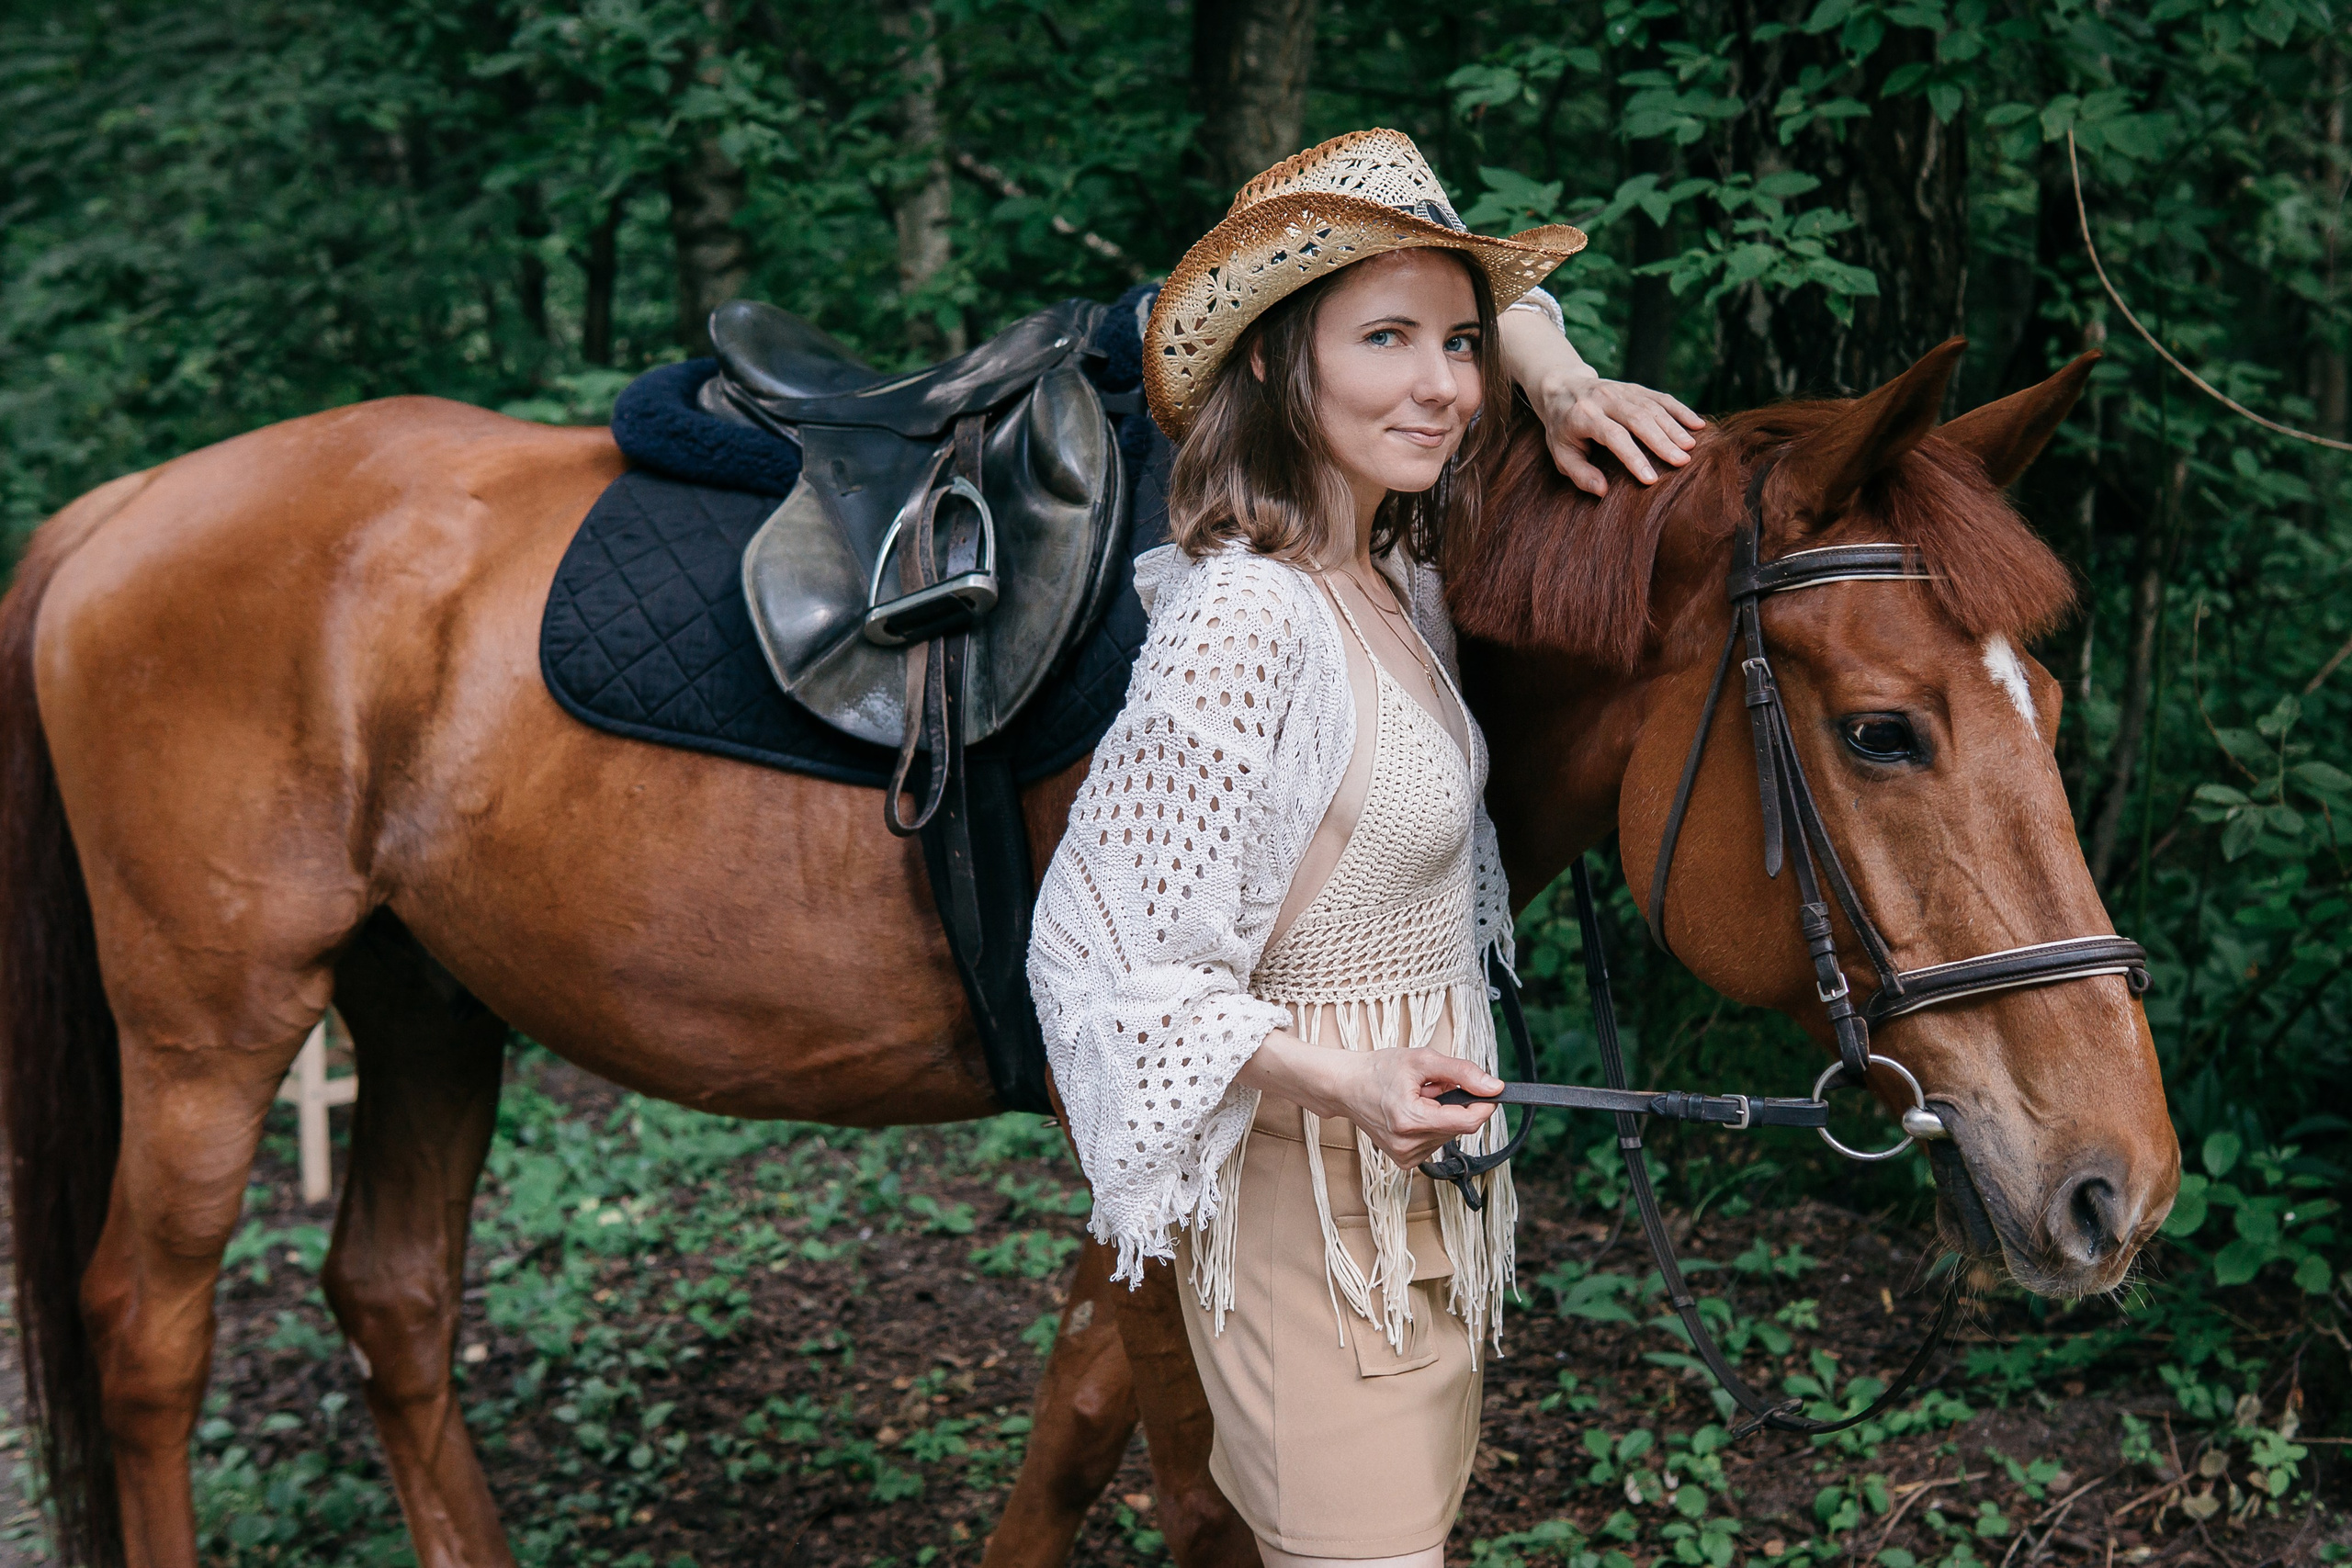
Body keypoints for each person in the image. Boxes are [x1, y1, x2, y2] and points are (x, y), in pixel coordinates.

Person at [1027, 128, 1702, 1567]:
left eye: (1457, 346)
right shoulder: (1243, 618)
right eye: (1385, 338)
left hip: (1417, 1215)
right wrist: (1346, 1077)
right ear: (1281, 364)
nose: (1442, 385)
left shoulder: (1395, 578)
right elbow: (1103, 966)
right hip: (1309, 1221)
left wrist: (1558, 381)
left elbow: (1516, 317)